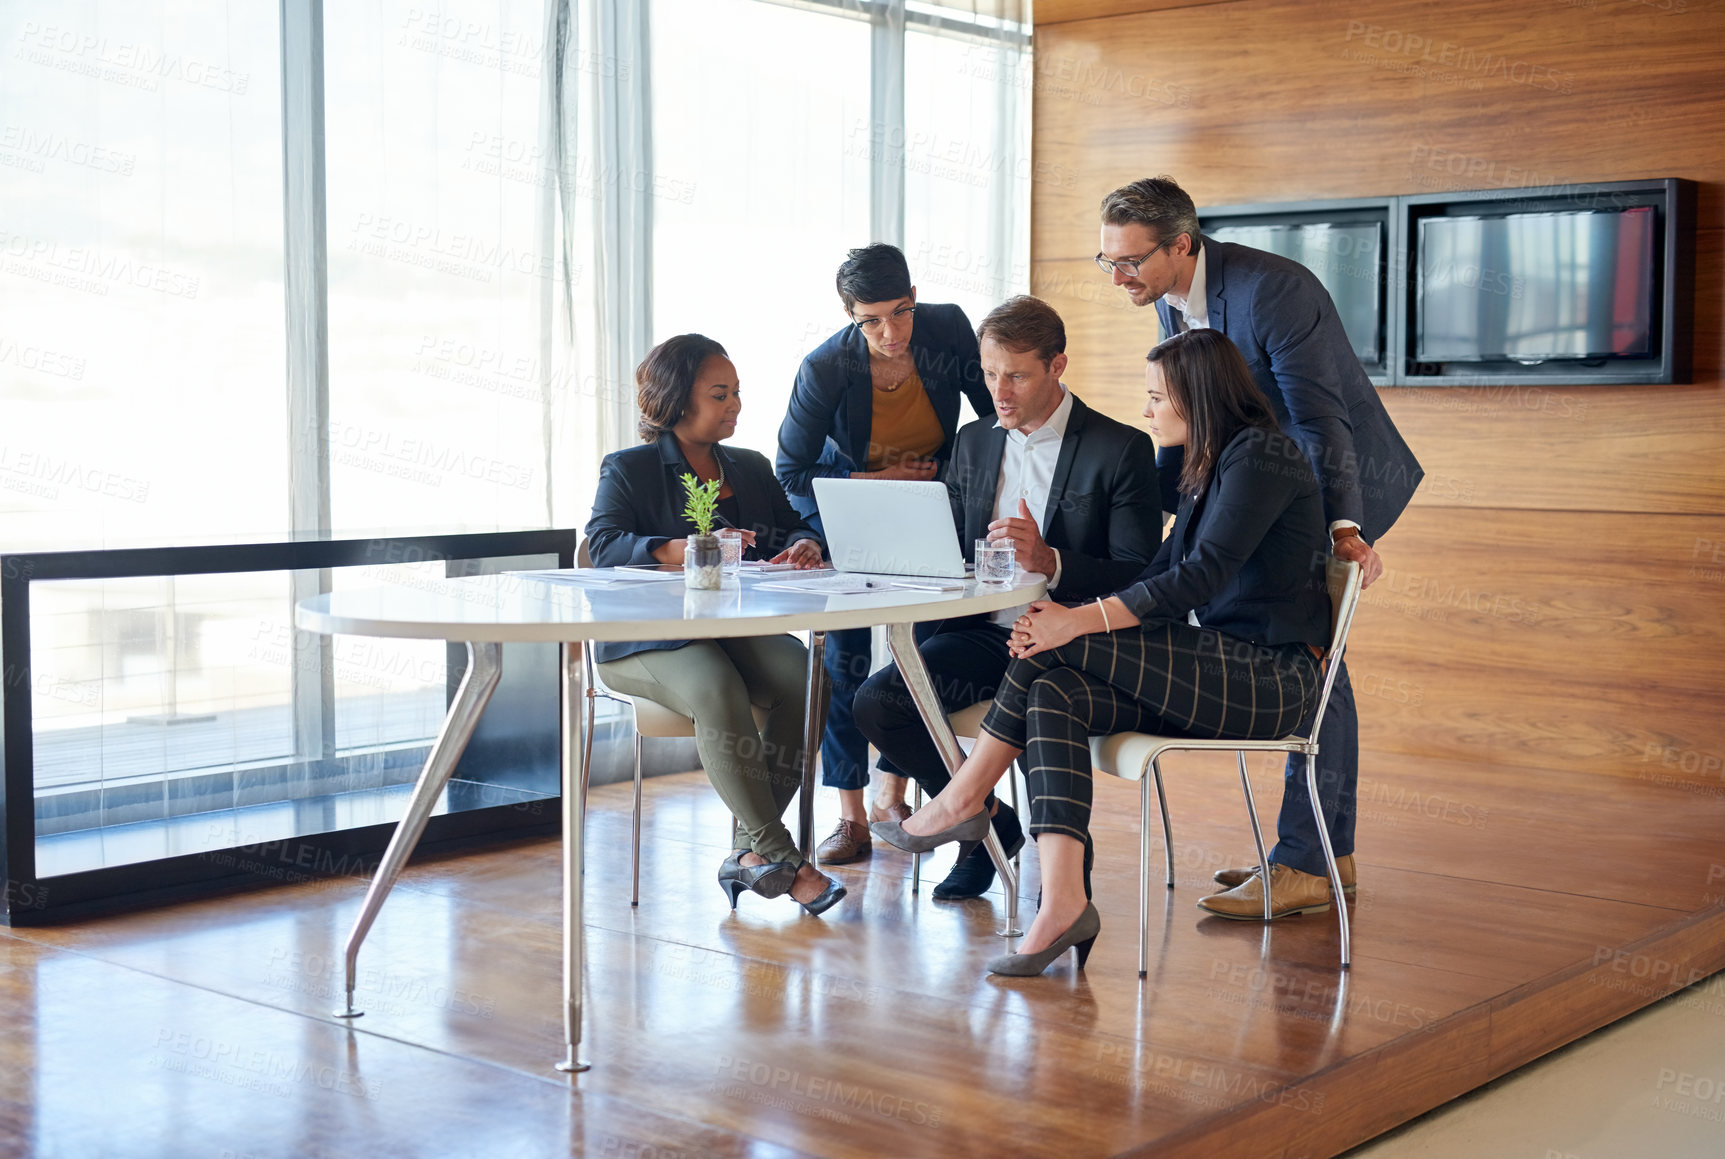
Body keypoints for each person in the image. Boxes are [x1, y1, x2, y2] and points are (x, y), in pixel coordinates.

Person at [874, 328, 1333, 974]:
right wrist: (1062, 619)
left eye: (1155, 397)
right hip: (1214, 667)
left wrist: (1073, 622)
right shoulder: (1214, 462)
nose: (1146, 412)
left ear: (1196, 398)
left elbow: (1194, 579)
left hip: (1268, 679)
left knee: (1049, 647)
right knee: (1055, 687)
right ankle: (1061, 900)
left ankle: (961, 798)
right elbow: (1156, 570)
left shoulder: (1260, 455)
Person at [1097, 176, 1424, 919]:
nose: (1118, 276)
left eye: (1129, 261)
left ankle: (1306, 859)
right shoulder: (1170, 299)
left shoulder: (1272, 290)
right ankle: (1318, 856)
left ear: (1180, 245)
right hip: (1261, 489)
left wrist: (1343, 525)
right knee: (1315, 671)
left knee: (1315, 666)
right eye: (1107, 260)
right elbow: (1198, 413)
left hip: (1324, 488)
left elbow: (1318, 420)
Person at [853, 294, 1162, 900]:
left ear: (1057, 366)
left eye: (1017, 375)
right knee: (878, 703)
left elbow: (1140, 575)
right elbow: (952, 547)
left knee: (1039, 714)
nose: (1001, 390)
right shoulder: (973, 442)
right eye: (991, 374)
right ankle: (989, 824)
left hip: (1069, 636)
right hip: (981, 633)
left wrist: (1051, 561)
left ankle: (1065, 885)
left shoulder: (1119, 449)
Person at [586, 334, 842, 916]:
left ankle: (747, 855)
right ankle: (784, 857)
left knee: (806, 675)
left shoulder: (748, 467)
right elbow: (602, 545)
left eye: (736, 393)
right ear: (677, 400)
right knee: (715, 685)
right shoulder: (629, 468)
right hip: (646, 639)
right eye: (719, 394)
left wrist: (802, 544)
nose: (735, 406)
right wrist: (683, 548)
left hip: (732, 630)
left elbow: (792, 528)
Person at [776, 243, 995, 866]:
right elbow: (791, 469)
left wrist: (960, 491)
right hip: (855, 517)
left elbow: (991, 424)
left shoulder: (948, 329)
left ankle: (891, 796)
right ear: (850, 315)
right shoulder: (825, 368)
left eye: (900, 313)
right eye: (871, 320)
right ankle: (851, 818)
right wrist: (885, 481)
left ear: (915, 298)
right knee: (846, 663)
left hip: (934, 513)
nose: (890, 333)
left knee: (922, 664)